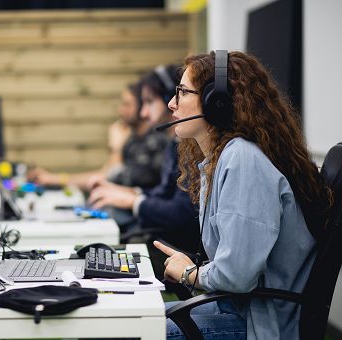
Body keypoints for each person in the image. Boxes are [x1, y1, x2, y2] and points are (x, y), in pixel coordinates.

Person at [154, 50, 331, 339]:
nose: (172, 103)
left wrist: (190, 273)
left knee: (138, 331)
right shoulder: (223, 158)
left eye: (183, 92)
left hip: (258, 324)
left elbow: (237, 275)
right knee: (138, 320)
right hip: (237, 309)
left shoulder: (242, 161)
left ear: (217, 103)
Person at [88, 65, 199, 252]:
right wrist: (132, 194)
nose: (143, 113)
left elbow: (181, 213)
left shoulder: (189, 149)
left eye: (149, 102)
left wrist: (134, 201)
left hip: (179, 252)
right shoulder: (175, 144)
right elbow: (164, 193)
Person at [29, 83, 167, 191]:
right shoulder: (133, 139)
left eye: (127, 104)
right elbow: (103, 174)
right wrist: (52, 179)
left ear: (141, 106)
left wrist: (115, 148)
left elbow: (111, 179)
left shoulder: (155, 142)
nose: (121, 110)